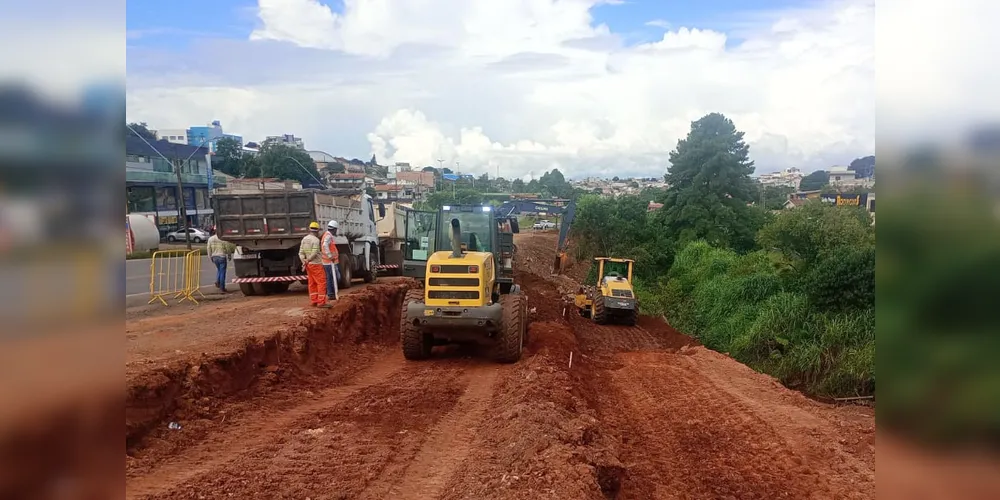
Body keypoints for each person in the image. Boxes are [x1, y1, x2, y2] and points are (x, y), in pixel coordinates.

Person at [299, 222, 329, 308]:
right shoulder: (316, 240)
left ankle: (314, 300)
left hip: (308, 265)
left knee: (312, 283)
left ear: (309, 229)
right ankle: (321, 302)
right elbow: (315, 252)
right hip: (316, 264)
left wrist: (304, 261)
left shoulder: (304, 239)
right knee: (321, 282)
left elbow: (301, 252)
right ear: (317, 231)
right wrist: (308, 260)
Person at [206, 227, 232, 292]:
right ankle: (222, 287)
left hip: (214, 257)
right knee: (222, 272)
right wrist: (229, 255)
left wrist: (210, 257)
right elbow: (228, 248)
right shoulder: (222, 238)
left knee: (219, 269)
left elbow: (208, 248)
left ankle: (218, 281)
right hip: (222, 256)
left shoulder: (210, 239)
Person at [321, 220, 341, 301]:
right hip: (329, 262)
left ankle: (331, 293)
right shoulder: (328, 236)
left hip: (329, 262)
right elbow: (325, 245)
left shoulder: (327, 235)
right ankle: (331, 293)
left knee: (331, 278)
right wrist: (330, 256)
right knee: (335, 277)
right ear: (334, 229)